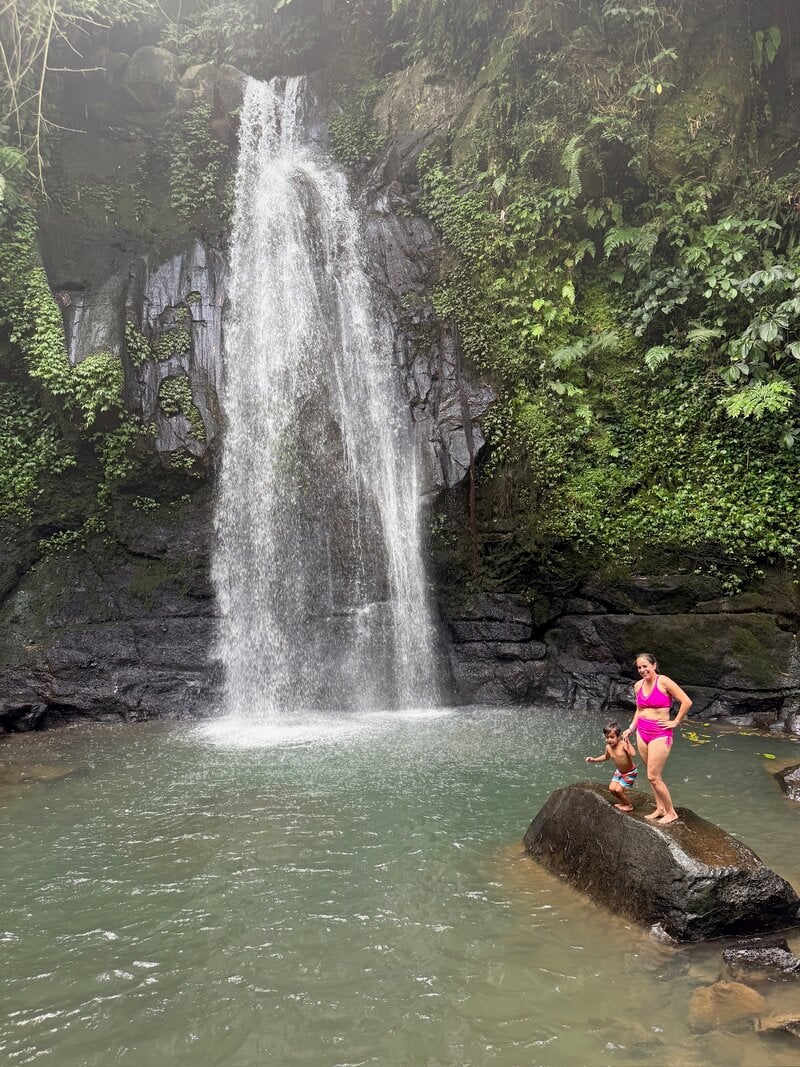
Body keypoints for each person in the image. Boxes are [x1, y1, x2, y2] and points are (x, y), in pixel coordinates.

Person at [622, 651, 692, 825]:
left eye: (645, 666)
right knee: (651, 774)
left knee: (653, 776)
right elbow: (640, 710)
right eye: (639, 667)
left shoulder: (664, 681)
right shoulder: (638, 685)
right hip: (642, 731)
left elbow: (686, 701)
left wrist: (676, 721)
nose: (642, 670)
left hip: (660, 733)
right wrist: (631, 728)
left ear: (654, 665)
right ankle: (660, 808)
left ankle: (671, 812)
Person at [585, 720, 639, 811]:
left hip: (630, 772)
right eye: (607, 737)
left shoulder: (623, 745)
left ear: (618, 737)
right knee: (611, 789)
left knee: (618, 790)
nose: (609, 740)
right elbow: (605, 757)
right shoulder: (608, 747)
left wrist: (628, 742)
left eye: (612, 737)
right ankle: (623, 801)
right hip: (619, 772)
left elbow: (633, 754)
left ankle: (629, 806)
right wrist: (594, 759)